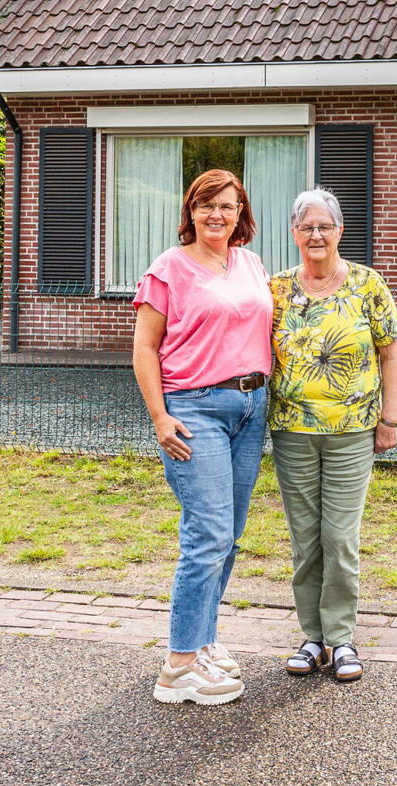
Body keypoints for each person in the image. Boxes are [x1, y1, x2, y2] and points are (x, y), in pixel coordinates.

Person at [132, 169, 270, 706]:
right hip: (194, 410)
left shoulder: (251, 263)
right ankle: (179, 665)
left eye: (229, 206)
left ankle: (205, 639)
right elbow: (145, 349)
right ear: (190, 209)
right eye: (208, 205)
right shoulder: (168, 269)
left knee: (229, 533)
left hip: (251, 409)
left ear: (242, 214)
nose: (218, 215)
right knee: (207, 533)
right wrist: (160, 418)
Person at [269, 188, 397, 683]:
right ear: (294, 233)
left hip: (352, 432)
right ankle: (312, 639)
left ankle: (341, 638)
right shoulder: (278, 288)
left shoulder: (368, 284)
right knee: (306, 540)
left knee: (339, 538)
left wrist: (389, 420)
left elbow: (392, 355)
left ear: (340, 231)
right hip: (292, 431)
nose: (316, 235)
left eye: (325, 226)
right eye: (306, 227)